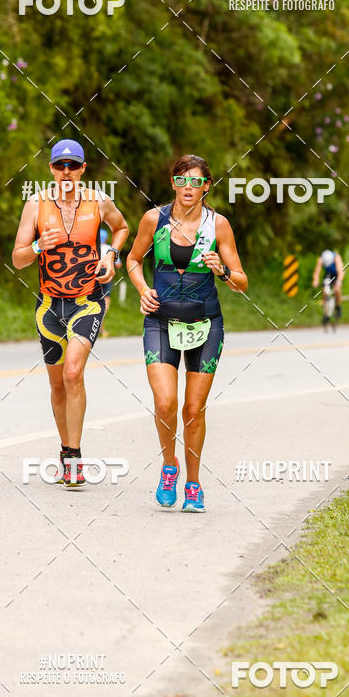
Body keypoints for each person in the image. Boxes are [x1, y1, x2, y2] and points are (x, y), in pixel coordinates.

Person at [127, 154, 247, 513]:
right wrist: (142, 289)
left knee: (193, 409)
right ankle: (169, 466)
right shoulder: (154, 219)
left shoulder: (218, 225)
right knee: (165, 402)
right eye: (181, 180)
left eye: (196, 181)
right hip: (160, 321)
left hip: (206, 324)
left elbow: (241, 282)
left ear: (207, 186)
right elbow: (133, 259)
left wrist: (222, 270)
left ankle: (193, 483)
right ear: (173, 184)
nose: (188, 188)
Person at [12, 138, 129, 487]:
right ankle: (65, 449)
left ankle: (75, 456)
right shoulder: (35, 205)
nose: (66, 172)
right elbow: (18, 259)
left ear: (82, 170)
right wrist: (36, 246)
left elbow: (121, 227)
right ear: (50, 169)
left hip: (87, 301)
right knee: (57, 384)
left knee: (73, 373)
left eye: (72, 166)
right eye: (59, 166)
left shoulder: (98, 201)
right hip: (49, 305)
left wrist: (111, 256)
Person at [98, 227, 122, 337]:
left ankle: (97, 323)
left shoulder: (93, 248)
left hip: (94, 272)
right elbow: (118, 264)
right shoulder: (110, 249)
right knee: (106, 297)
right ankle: (101, 316)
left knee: (94, 298)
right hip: (106, 272)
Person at [312, 249, 345, 319]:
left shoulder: (336, 257)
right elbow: (317, 272)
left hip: (336, 274)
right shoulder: (320, 259)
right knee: (324, 291)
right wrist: (315, 281)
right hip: (328, 275)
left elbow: (340, 271)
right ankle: (326, 313)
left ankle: (338, 307)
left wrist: (339, 281)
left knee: (337, 290)